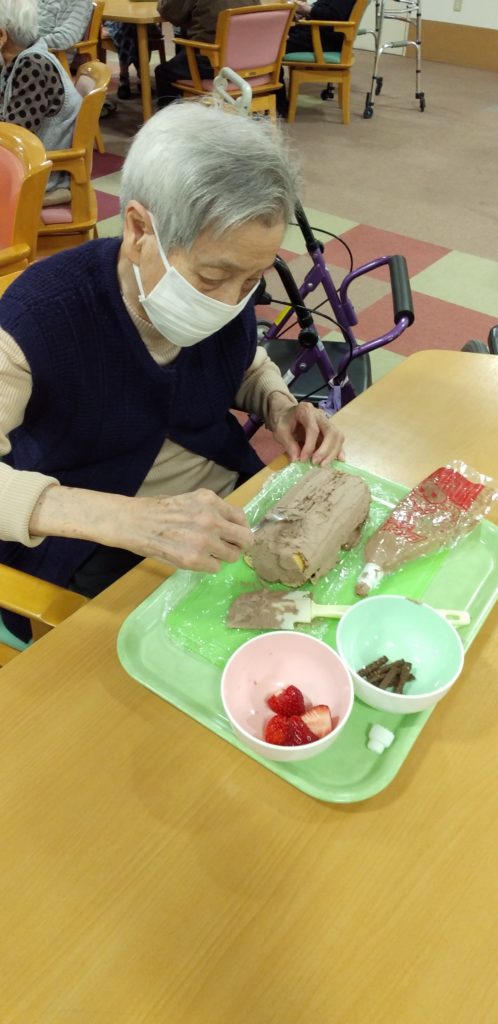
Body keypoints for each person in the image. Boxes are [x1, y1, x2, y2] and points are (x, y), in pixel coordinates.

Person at [0, 101, 344, 640]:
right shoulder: (38, 318)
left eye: (252, 279)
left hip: (227, 511)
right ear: (139, 230)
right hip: (91, 544)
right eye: (212, 278)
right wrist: (123, 518)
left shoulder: (226, 289)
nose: (232, 302)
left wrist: (279, 404)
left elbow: (242, 361)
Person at [0, 0, 82, 195]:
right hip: (27, 164)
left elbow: (15, 136)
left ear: (2, 36)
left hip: (36, 173)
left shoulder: (32, 65)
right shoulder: (23, 56)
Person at [154, 0, 258, 108]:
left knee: (162, 72)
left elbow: (169, 11)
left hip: (213, 64)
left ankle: (175, 117)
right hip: (252, 62)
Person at [277, 0, 355, 116]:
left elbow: (334, 15)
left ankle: (279, 105)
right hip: (318, 33)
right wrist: (306, 10)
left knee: (270, 47)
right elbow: (327, 8)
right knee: (273, 34)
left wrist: (307, 10)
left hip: (321, 39)